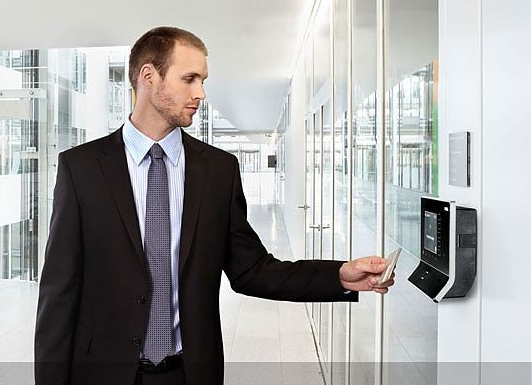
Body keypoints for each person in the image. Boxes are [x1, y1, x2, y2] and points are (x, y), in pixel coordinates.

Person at [35, 26, 394, 385]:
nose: (201, 93)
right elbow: (58, 295)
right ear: (148, 76)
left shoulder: (218, 170)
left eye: (203, 80)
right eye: (189, 79)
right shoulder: (80, 168)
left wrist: (338, 276)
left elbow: (252, 269)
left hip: (189, 373)